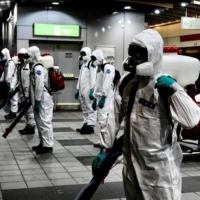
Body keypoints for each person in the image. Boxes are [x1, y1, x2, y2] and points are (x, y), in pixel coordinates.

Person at [92, 29, 200, 200]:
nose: (137, 58)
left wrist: (175, 89)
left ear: (154, 54)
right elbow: (113, 117)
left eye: (143, 53)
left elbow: (191, 119)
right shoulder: (127, 83)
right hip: (131, 167)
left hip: (159, 171)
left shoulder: (164, 85)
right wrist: (104, 149)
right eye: (134, 53)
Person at [26, 46, 54, 154]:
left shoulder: (38, 68)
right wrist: (30, 98)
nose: (27, 57)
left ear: (33, 55)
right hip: (38, 99)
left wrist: (37, 100)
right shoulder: (33, 66)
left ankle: (48, 146)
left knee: (45, 122)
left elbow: (39, 86)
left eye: (28, 55)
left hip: (43, 99)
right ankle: (43, 142)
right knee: (39, 122)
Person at [89, 49, 115, 147]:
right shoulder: (99, 68)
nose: (93, 61)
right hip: (100, 96)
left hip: (106, 96)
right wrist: (95, 97)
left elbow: (107, 83)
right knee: (101, 120)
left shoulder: (108, 67)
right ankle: (102, 141)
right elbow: (97, 83)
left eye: (94, 58)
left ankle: (105, 142)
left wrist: (103, 96)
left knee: (104, 120)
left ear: (99, 58)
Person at [75, 47, 97, 134]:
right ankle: (86, 123)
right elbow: (80, 78)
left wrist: (92, 89)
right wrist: (78, 89)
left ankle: (90, 125)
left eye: (84, 54)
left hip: (88, 89)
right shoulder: (83, 64)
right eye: (81, 54)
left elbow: (93, 77)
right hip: (82, 89)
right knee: (84, 107)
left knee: (90, 107)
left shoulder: (91, 64)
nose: (82, 56)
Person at [17, 48, 36, 135]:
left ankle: (31, 126)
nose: (21, 58)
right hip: (22, 91)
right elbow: (20, 78)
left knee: (30, 111)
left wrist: (28, 95)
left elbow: (29, 81)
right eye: (20, 56)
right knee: (24, 111)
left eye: (23, 56)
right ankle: (27, 125)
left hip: (27, 91)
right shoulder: (20, 65)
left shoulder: (29, 65)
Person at [0, 48, 18, 119]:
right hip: (8, 83)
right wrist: (1, 80)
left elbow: (9, 74)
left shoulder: (10, 63)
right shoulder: (7, 62)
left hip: (12, 83)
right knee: (10, 98)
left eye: (2, 55)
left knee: (14, 98)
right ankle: (11, 112)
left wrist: (7, 82)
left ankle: (13, 113)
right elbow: (4, 72)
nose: (2, 57)